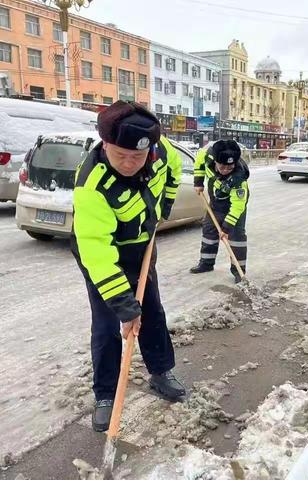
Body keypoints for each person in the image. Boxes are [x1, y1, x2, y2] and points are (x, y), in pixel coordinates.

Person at [71, 100, 186, 432]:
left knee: (152, 309)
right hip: (102, 254)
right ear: (105, 143)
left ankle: (161, 371)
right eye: (120, 155)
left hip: (141, 247)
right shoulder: (92, 184)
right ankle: (106, 393)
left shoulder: (158, 152)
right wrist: (124, 305)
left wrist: (163, 206)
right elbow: (96, 249)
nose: (129, 163)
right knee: (107, 323)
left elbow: (174, 169)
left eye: (137, 157)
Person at [190, 139, 249, 283]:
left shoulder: (239, 179)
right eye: (222, 167)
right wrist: (198, 182)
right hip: (215, 204)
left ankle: (238, 271)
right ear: (215, 161)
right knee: (209, 232)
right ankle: (206, 263)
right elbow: (199, 162)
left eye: (230, 167)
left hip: (233, 208)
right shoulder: (208, 155)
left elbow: (238, 206)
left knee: (236, 239)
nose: (226, 170)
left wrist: (226, 228)